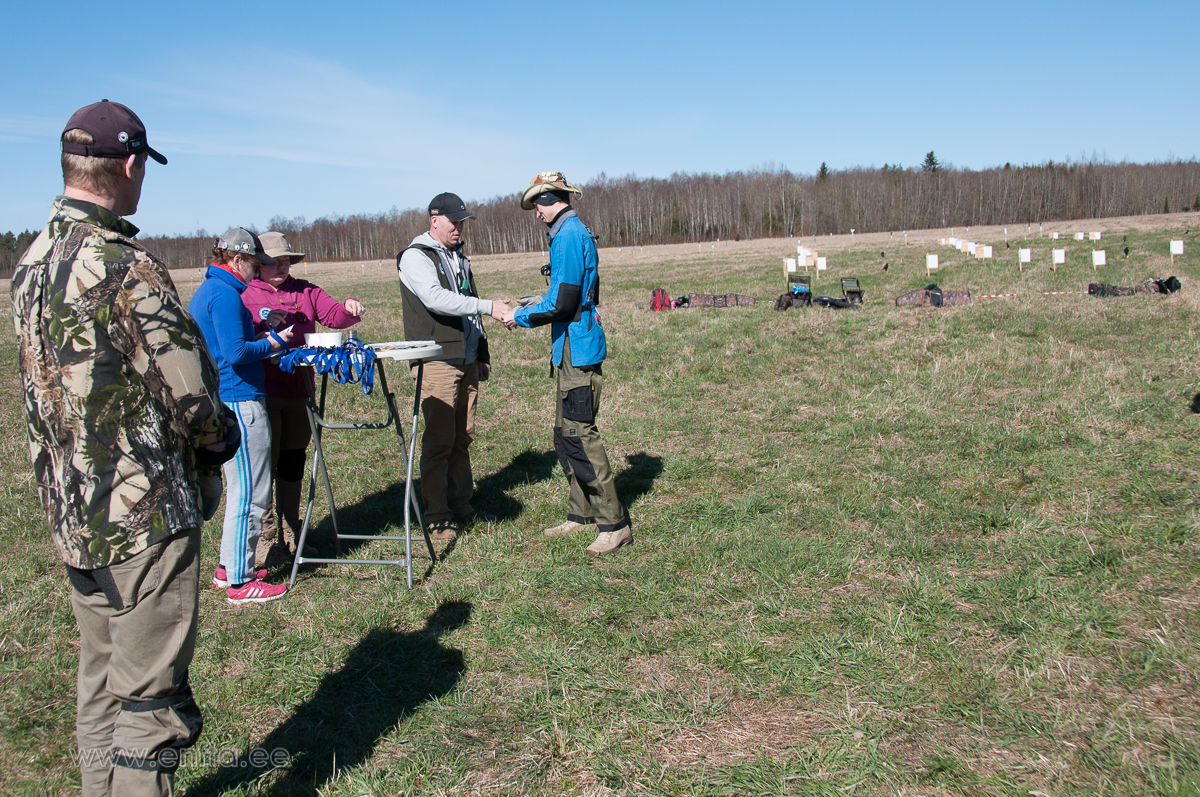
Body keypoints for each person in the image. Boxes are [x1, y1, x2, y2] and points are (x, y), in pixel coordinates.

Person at [11, 100, 232, 795]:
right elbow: (190, 393)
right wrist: (218, 443)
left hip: (73, 514)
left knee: (101, 683)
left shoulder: (30, 262)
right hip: (141, 519)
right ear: (131, 165)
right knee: (147, 704)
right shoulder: (122, 265)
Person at [502, 172, 632, 557]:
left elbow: (563, 304)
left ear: (549, 199)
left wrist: (519, 317)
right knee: (565, 433)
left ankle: (614, 525)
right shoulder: (566, 232)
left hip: (578, 348)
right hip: (569, 347)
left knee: (579, 433)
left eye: (537, 206)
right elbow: (565, 292)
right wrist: (534, 301)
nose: (536, 214)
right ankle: (582, 514)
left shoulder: (568, 235)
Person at [241, 231, 364, 563]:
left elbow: (334, 316)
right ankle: (265, 538)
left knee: (293, 460)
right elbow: (237, 339)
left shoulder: (306, 290)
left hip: (300, 392)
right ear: (258, 263)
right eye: (274, 261)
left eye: (286, 261)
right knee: (264, 465)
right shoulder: (244, 294)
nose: (282, 266)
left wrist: (350, 308)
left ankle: (292, 530)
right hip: (262, 391)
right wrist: (262, 328)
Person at [397, 192, 512, 540]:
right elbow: (436, 299)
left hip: (467, 358)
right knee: (439, 441)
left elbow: (467, 303)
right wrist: (489, 306)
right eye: (454, 221)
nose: (459, 227)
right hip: (437, 361)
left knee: (463, 436)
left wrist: (482, 354)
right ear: (435, 220)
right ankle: (437, 514)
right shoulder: (416, 257)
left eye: (462, 221)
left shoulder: (458, 256)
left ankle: (461, 504)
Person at [189, 228, 293, 603]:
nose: (258, 271)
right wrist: (274, 343)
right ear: (237, 260)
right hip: (240, 400)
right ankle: (240, 581)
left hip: (225, 397)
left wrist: (261, 329)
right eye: (254, 264)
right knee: (251, 493)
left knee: (239, 490)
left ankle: (228, 567)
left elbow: (224, 343)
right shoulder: (226, 295)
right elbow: (235, 353)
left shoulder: (211, 290)